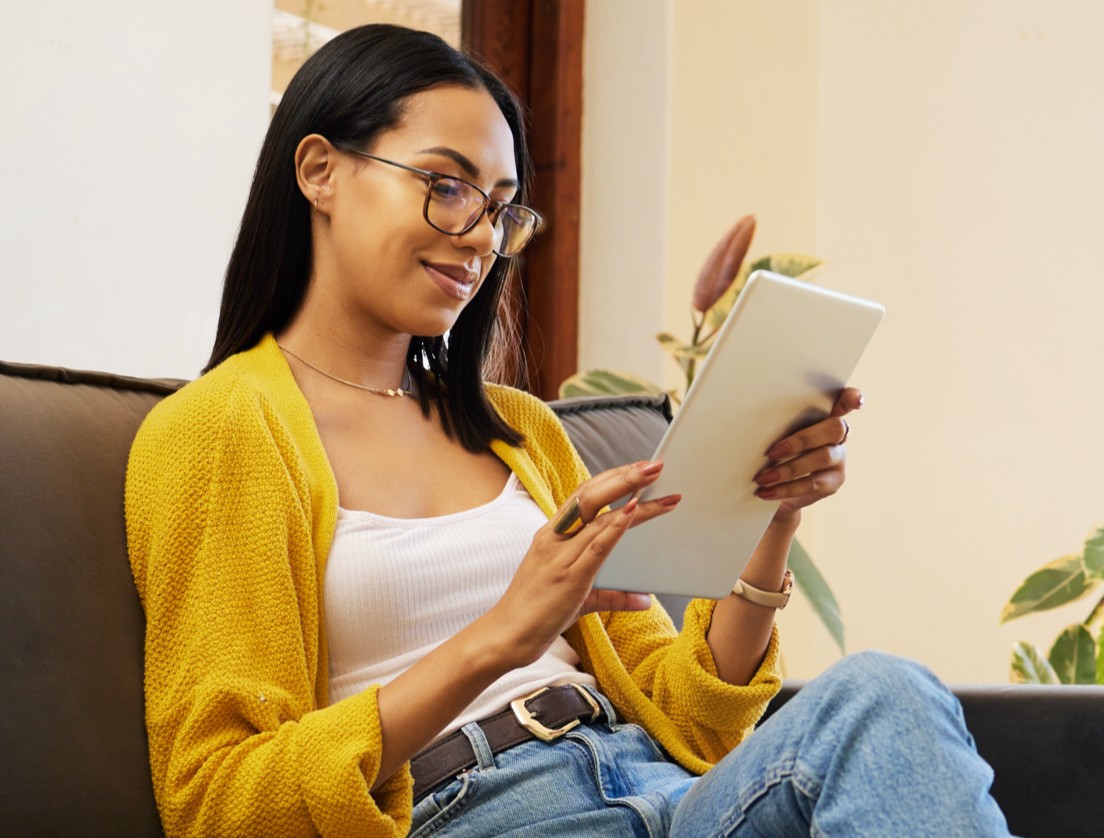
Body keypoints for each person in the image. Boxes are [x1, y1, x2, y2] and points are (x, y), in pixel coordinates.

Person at [125, 23, 1011, 837]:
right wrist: (499, 637)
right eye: (446, 186)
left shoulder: (519, 430)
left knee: (886, 695)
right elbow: (220, 800)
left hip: (662, 794)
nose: (480, 237)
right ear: (320, 170)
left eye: (499, 207)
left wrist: (766, 519)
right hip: (476, 811)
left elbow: (693, 718)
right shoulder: (219, 431)